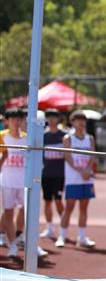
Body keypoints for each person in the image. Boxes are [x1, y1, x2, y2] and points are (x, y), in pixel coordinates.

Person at [0, 108, 48, 258]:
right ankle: (12, 245)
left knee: (25, 211)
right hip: (7, 182)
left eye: (19, 118)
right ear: (6, 121)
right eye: (13, 118)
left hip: (23, 182)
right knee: (8, 212)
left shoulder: (27, 138)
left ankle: (21, 237)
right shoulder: (1, 137)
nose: (16, 121)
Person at [56, 110, 96, 248]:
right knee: (69, 208)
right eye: (77, 120)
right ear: (72, 122)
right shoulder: (68, 138)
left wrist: (87, 170)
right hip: (73, 178)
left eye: (83, 119)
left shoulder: (90, 138)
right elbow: (67, 157)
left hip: (87, 178)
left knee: (84, 208)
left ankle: (82, 237)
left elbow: (92, 156)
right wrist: (80, 170)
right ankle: (62, 236)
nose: (81, 122)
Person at [40, 109, 65, 239]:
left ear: (58, 118)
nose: (51, 119)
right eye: (48, 117)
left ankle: (63, 228)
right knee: (47, 201)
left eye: (54, 117)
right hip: (46, 174)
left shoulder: (64, 136)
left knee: (59, 201)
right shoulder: (43, 136)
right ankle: (49, 227)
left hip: (59, 175)